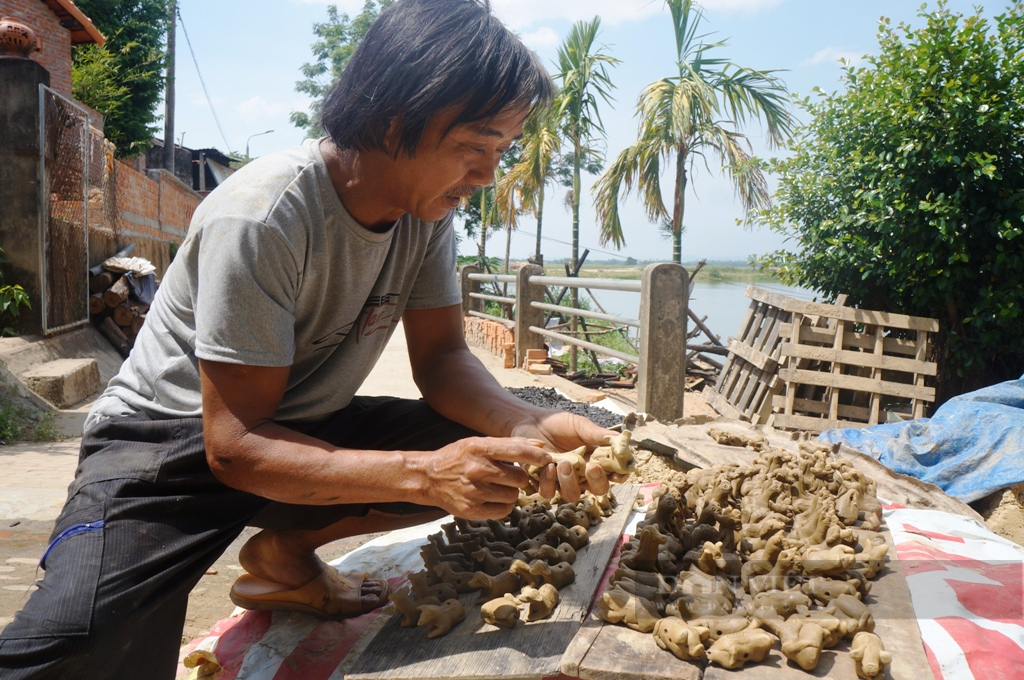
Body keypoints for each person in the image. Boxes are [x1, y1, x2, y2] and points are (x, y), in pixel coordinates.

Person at [0, 1, 620, 678]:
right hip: (168, 448)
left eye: (501, 149)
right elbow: (235, 448)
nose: (487, 175)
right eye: (474, 146)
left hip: (301, 429)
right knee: (75, 648)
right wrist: (426, 477)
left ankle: (282, 560)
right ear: (393, 121)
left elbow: (443, 359)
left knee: (499, 459)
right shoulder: (263, 216)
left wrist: (525, 423)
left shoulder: (426, 214)